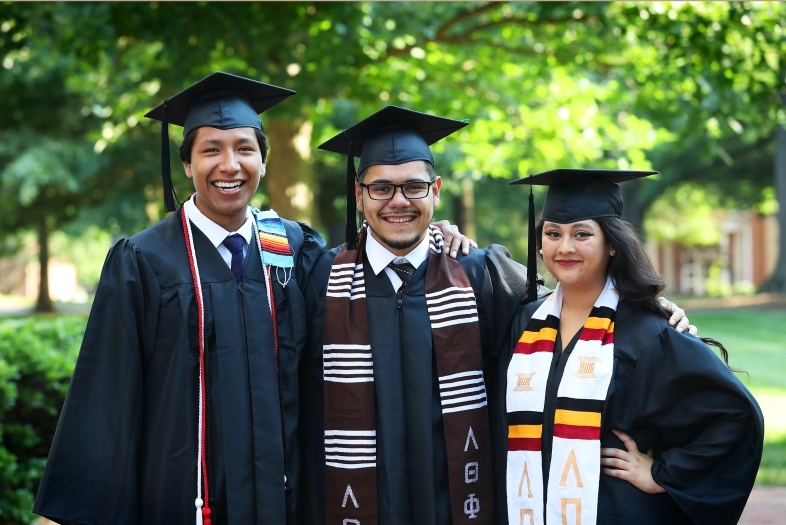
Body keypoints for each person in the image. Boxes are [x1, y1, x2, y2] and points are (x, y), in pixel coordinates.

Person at [298, 108, 693, 525]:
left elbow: (575, 305)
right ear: (359, 196)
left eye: (414, 186)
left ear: (436, 190)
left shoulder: (480, 273)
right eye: (381, 188)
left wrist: (643, 310)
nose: (399, 201)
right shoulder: (321, 280)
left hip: (462, 505)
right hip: (353, 503)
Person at [33, 72, 327, 525]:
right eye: (211, 150)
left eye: (245, 149)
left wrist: (438, 241)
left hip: (282, 498)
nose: (230, 165)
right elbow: (107, 394)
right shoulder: (144, 260)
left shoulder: (293, 249)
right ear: (187, 164)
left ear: (264, 162)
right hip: (181, 500)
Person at [497, 169, 763, 525]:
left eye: (582, 234)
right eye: (552, 233)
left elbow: (736, 417)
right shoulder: (526, 323)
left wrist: (661, 474)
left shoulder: (646, 330)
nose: (565, 247)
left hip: (617, 512)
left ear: (611, 243)